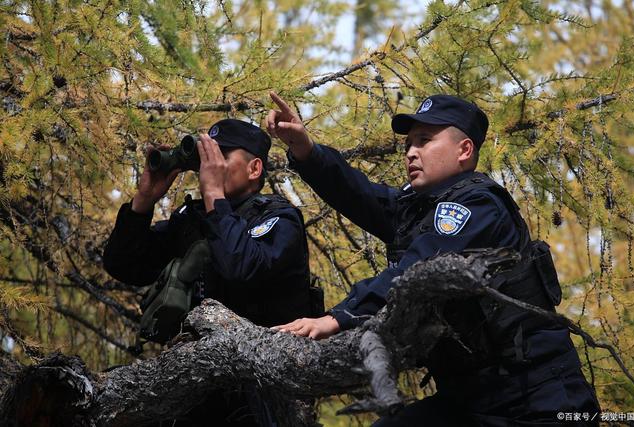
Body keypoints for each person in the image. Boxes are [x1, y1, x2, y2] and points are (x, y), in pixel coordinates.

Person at [267, 92, 600, 426]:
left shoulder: (477, 206)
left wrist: (336, 319)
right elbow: (361, 194)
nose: (411, 152)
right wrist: (306, 150)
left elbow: (418, 265)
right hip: (468, 398)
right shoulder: (419, 206)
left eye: (425, 141)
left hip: (538, 400)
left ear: (464, 150)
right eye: (408, 144)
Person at [103, 118, 313, 426]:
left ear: (254, 169)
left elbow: (241, 268)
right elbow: (124, 264)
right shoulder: (194, 218)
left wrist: (215, 196)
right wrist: (144, 201)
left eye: (221, 157)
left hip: (261, 395)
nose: (209, 166)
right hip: (192, 390)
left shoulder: (279, 218)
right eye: (206, 157)